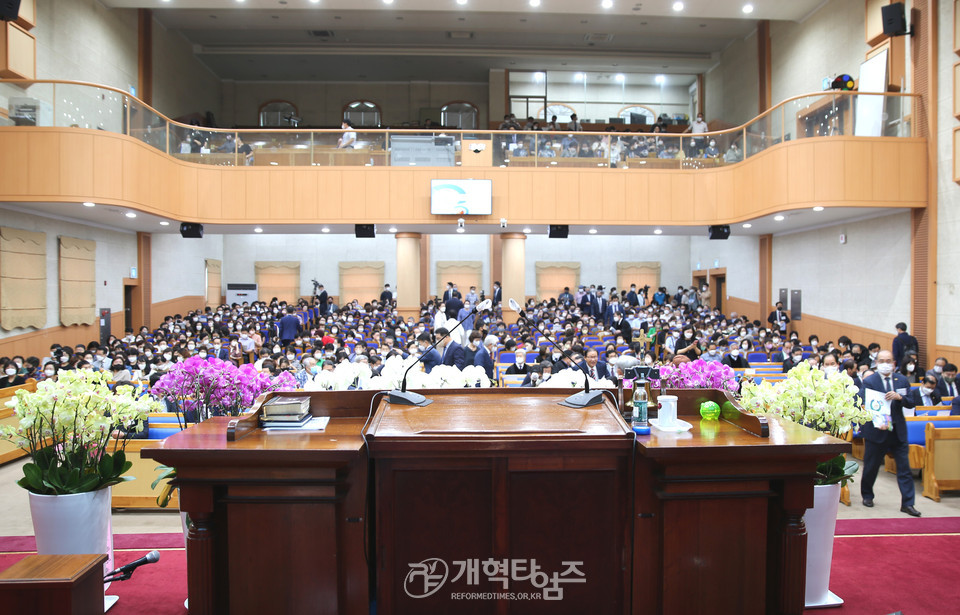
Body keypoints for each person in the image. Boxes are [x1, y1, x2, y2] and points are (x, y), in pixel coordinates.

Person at [859, 350, 920, 517]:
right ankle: (867, 495)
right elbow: (863, 402)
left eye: (888, 360)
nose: (885, 363)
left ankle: (908, 503)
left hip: (897, 431)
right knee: (871, 466)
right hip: (877, 430)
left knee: (904, 469)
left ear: (894, 363)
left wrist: (900, 397)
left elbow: (911, 403)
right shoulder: (870, 381)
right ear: (877, 363)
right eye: (882, 360)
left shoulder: (901, 380)